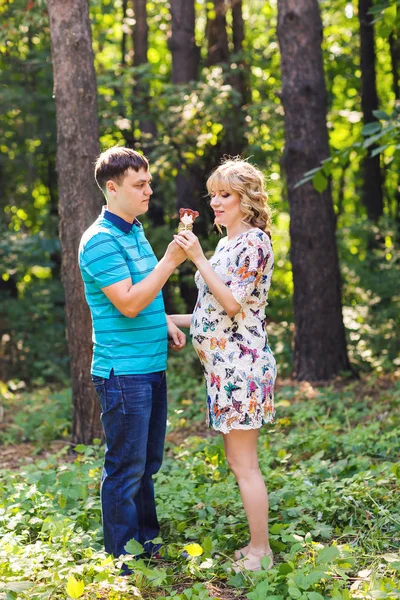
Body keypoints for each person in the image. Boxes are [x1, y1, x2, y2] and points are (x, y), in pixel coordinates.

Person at [78, 147, 187, 567]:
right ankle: (122, 555)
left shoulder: (134, 230)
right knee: (125, 466)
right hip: (121, 372)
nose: (149, 190)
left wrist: (164, 322)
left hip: (150, 365)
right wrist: (170, 261)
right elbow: (126, 303)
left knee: (147, 461)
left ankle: (147, 541)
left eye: (148, 182)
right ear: (112, 187)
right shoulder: (100, 240)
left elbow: (145, 298)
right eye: (139, 184)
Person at [170, 158, 276, 573]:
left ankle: (260, 553)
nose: (215, 201)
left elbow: (232, 304)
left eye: (225, 195)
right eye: (213, 194)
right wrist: (168, 321)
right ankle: (257, 547)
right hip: (223, 370)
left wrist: (196, 257)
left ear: (246, 201)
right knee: (238, 462)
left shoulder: (254, 242)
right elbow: (212, 312)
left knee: (244, 463)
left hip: (242, 369)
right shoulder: (227, 244)